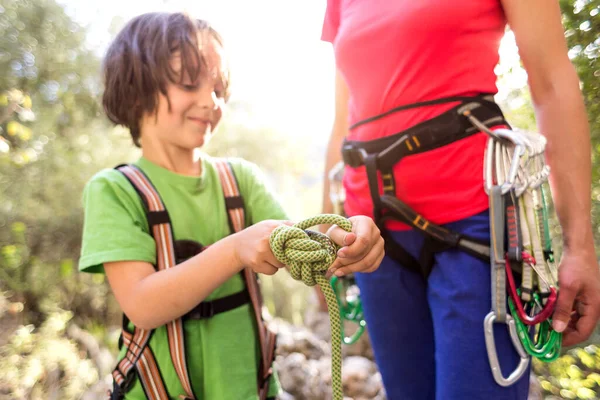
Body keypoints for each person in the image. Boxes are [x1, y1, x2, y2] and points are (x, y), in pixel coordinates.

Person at [79, 12, 384, 400]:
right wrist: (236, 248)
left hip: (249, 389)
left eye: (219, 90)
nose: (211, 102)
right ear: (137, 91)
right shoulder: (115, 191)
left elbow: (298, 243)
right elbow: (142, 304)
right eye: (191, 84)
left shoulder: (240, 180)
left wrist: (344, 239)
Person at [320, 1, 600, 399]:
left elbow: (552, 81)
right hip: (371, 239)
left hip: (476, 219)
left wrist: (580, 247)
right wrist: (326, 230)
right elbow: (343, 121)